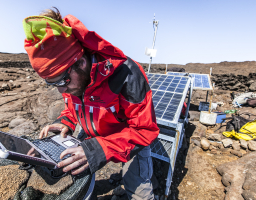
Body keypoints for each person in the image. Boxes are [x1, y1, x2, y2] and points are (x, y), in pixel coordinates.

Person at [23, 8, 159, 200]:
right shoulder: (74, 81)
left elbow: (145, 130)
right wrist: (66, 122)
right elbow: (73, 107)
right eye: (53, 84)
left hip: (130, 138)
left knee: (138, 191)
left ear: (81, 63)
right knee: (72, 170)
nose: (61, 91)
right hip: (93, 133)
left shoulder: (126, 74)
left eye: (62, 81)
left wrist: (98, 150)